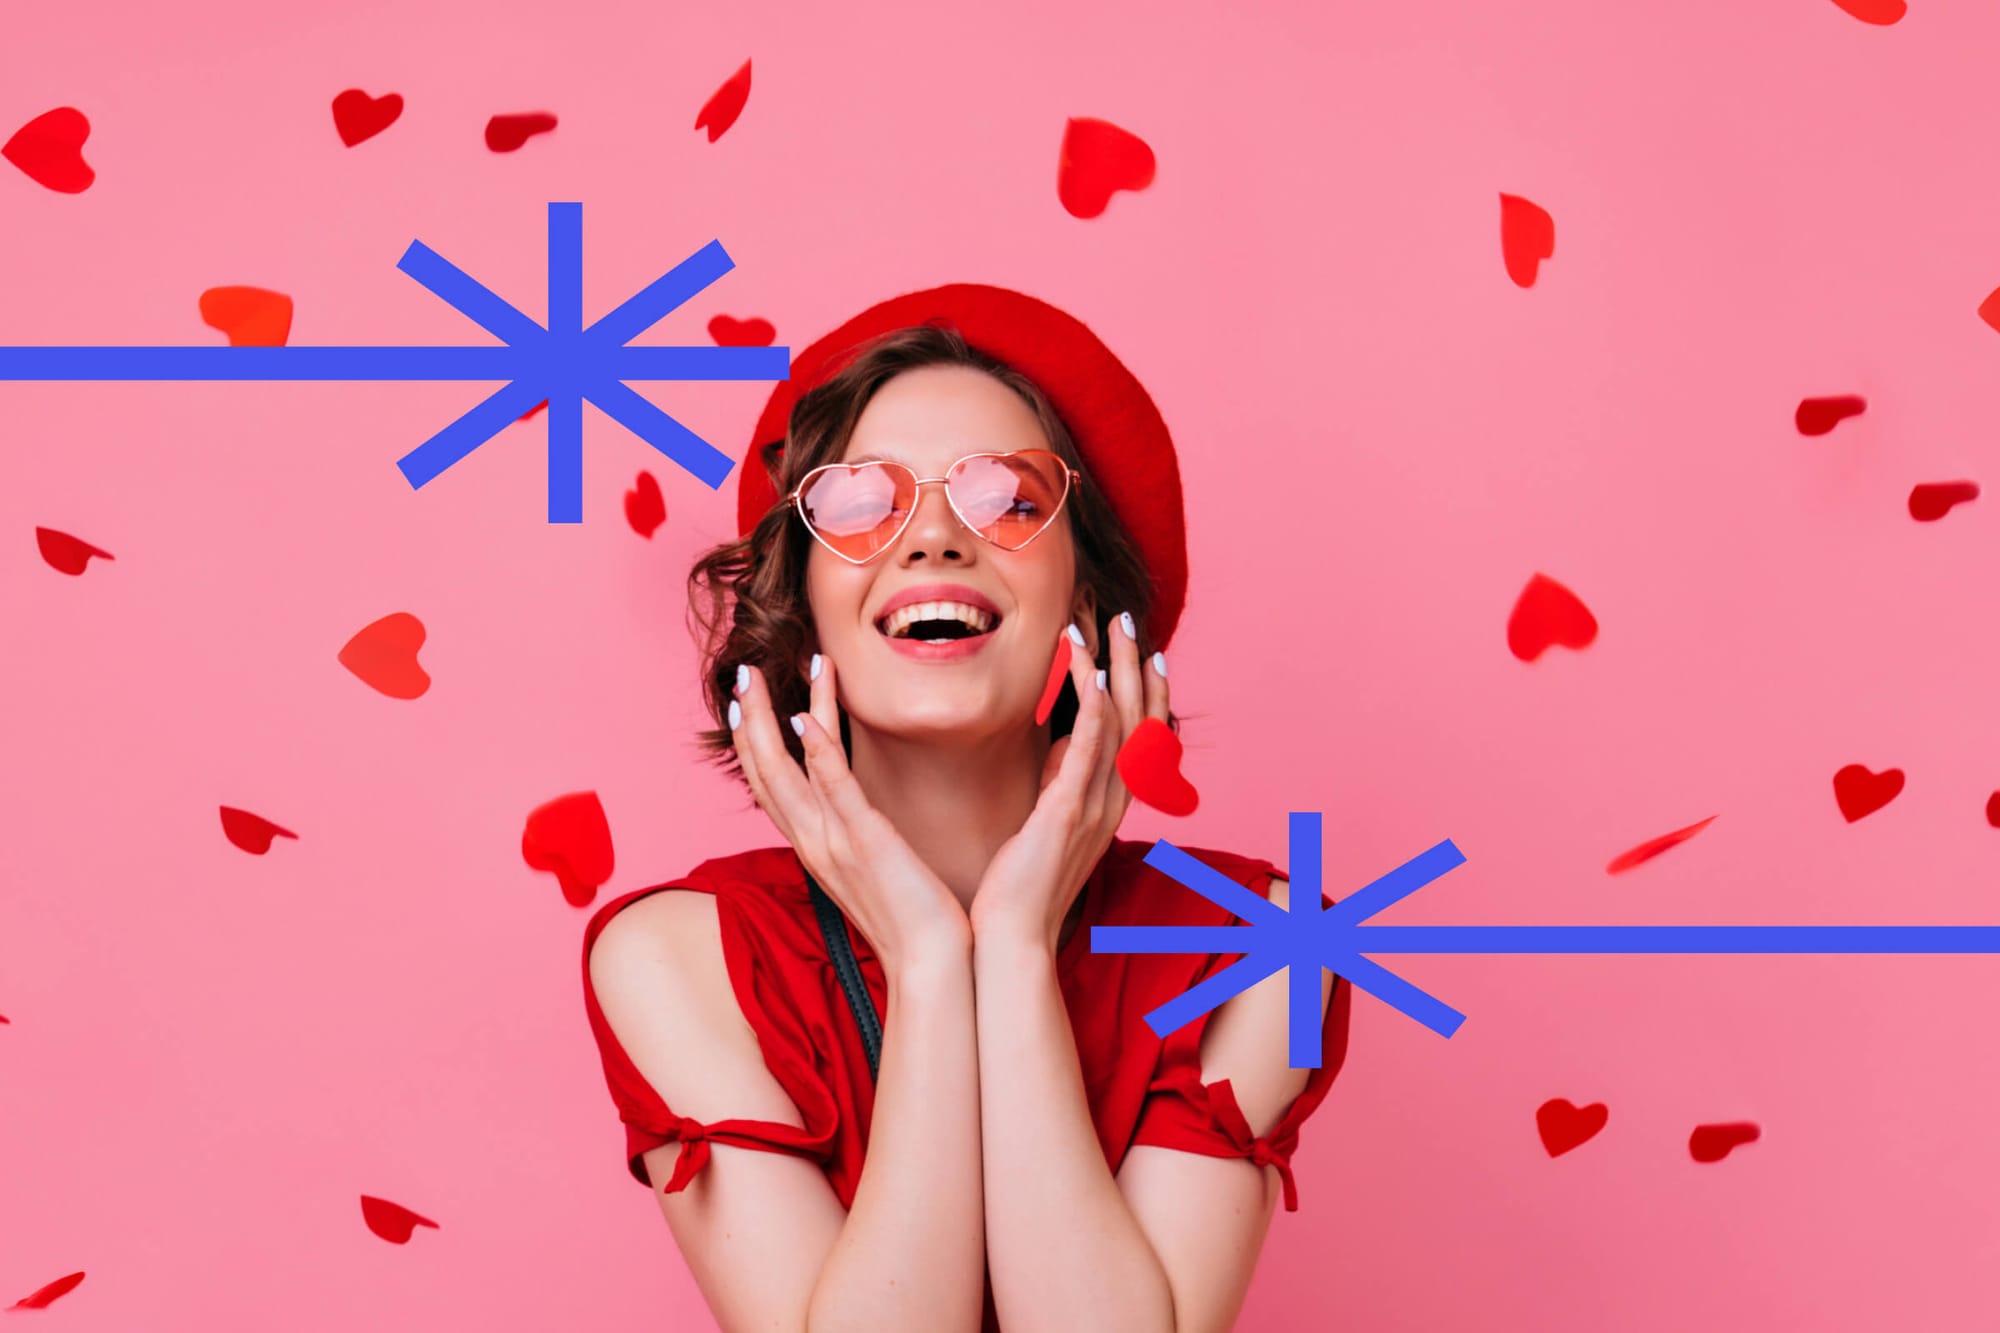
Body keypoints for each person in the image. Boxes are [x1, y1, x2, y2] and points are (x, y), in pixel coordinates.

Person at [581, 283, 1354, 1332]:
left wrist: (1016, 943)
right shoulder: (675, 958)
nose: (934, 537)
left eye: (1009, 498)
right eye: (859, 500)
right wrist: (930, 957)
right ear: (799, 604)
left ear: (1086, 602)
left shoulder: (1263, 947)